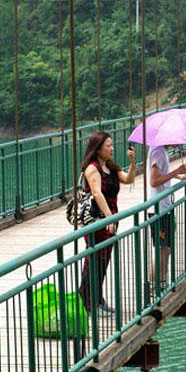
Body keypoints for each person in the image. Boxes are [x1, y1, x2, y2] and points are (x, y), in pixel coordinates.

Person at [79, 131, 136, 315]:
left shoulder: (111, 167)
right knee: (93, 259)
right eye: (108, 146)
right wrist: (108, 217)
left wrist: (133, 163)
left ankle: (97, 299)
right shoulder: (92, 168)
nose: (112, 149)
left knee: (103, 260)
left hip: (111, 220)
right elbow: (96, 193)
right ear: (98, 148)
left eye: (112, 145)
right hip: (97, 220)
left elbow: (128, 179)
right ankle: (86, 302)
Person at [147, 145, 186, 288]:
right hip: (158, 209)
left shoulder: (161, 151)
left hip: (165, 206)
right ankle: (155, 283)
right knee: (161, 248)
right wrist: (177, 171)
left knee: (167, 248)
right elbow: (153, 181)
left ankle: (162, 281)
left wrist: (180, 176)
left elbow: (162, 174)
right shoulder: (158, 152)